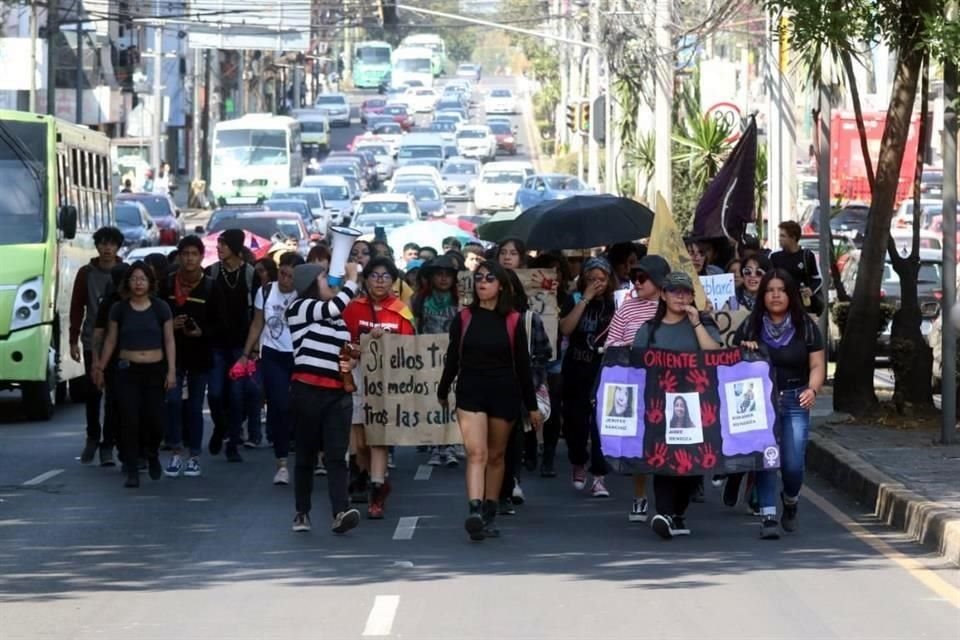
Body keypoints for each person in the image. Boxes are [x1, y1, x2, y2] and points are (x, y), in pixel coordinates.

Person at [438, 260, 543, 541]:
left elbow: (523, 366)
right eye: (479, 277)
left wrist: (531, 407)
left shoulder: (513, 320)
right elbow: (453, 357)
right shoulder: (464, 318)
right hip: (471, 390)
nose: (483, 282)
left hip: (504, 391)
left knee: (496, 456)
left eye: (489, 278)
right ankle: (474, 510)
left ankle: (489, 512)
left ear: (501, 285)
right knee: (477, 453)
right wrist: (442, 389)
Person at [733, 269, 825, 539]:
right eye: (770, 290)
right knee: (766, 459)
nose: (775, 295)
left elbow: (818, 364)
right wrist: (744, 349)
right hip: (761, 402)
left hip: (796, 399)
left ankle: (790, 500)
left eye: (781, 290)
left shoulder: (805, 326)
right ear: (763, 295)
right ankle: (768, 515)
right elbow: (731, 365)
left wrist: (813, 389)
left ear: (790, 294)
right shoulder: (751, 325)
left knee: (793, 465)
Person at [632, 271, 722, 540]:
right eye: (674, 291)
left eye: (685, 292)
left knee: (692, 465)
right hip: (659, 407)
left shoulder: (703, 323)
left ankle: (677, 513)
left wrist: (696, 323)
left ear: (693, 296)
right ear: (663, 295)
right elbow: (635, 365)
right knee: (663, 460)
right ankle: (665, 513)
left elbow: (714, 354)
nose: (680, 296)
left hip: (697, 405)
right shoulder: (649, 329)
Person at [286, 261, 363, 534]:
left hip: (336, 393)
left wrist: (351, 360)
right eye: (325, 277)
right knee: (306, 455)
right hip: (307, 390)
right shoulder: (299, 308)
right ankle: (302, 512)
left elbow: (343, 349)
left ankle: (340, 512)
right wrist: (352, 280)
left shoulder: (337, 319)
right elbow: (334, 306)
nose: (332, 282)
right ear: (310, 284)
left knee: (335, 455)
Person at [343, 257, 416, 519]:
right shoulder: (352, 309)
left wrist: (389, 341)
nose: (380, 281)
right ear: (365, 279)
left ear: (393, 281)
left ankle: (377, 490)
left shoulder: (401, 312)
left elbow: (410, 351)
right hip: (358, 377)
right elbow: (344, 345)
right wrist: (361, 347)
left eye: (386, 276)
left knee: (379, 439)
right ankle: (359, 475)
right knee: (359, 438)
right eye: (375, 275)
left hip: (388, 382)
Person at [94, 262, 176, 488]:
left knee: (156, 420)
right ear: (127, 282)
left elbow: (169, 340)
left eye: (143, 278)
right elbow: (110, 340)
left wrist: (171, 371)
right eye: (134, 278)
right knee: (129, 420)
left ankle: (152, 454)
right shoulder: (119, 309)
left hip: (155, 370)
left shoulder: (161, 308)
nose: (138, 283)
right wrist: (100, 367)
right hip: (127, 371)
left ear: (150, 282)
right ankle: (131, 468)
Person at [604, 254, 670, 522]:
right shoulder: (627, 308)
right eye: (634, 278)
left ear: (658, 280)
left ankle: (668, 503)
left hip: (668, 384)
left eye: (642, 278)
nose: (637, 283)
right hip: (635, 384)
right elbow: (610, 343)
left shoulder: (673, 307)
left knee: (668, 442)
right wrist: (628, 350)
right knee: (640, 441)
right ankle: (640, 497)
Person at [239, 253, 305, 484]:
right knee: (279, 406)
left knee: (302, 407)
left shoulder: (305, 293)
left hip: (300, 355)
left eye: (291, 276)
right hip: (273, 355)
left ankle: (310, 453)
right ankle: (282, 463)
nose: (286, 280)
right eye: (283, 273)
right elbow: (258, 322)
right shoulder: (266, 291)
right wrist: (246, 355)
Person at [559, 256, 616, 498]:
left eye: (601, 279)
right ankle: (578, 462)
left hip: (604, 369)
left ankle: (600, 475)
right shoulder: (573, 299)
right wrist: (585, 299)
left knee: (601, 424)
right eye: (591, 279)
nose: (596, 283)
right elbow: (566, 328)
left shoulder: (616, 302)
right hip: (577, 367)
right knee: (575, 422)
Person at [160, 236, 216, 479]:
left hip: (200, 356)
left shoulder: (211, 287)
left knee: (194, 406)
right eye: (185, 254)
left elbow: (220, 323)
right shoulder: (167, 284)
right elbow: (157, 317)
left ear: (202, 257)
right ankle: (175, 450)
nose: (190, 258)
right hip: (172, 356)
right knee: (172, 402)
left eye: (194, 254)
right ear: (179, 256)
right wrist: (170, 326)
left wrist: (201, 331)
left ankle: (194, 455)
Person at [70, 226, 124, 466]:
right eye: (103, 243)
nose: (107, 248)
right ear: (97, 246)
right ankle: (93, 436)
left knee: (114, 396)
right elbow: (76, 307)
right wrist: (73, 339)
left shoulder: (126, 272)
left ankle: (108, 444)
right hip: (93, 341)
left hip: (120, 343)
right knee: (93, 392)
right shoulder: (86, 273)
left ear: (118, 247)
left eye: (111, 244)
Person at [205, 229, 257, 462]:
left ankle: (233, 443)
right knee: (215, 394)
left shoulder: (250, 274)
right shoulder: (212, 273)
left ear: (235, 247)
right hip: (215, 344)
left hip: (240, 346)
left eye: (224, 244)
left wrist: (253, 348)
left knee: (237, 396)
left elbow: (258, 313)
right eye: (218, 244)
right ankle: (221, 427)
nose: (219, 248)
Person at [412, 255, 461, 468]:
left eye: (447, 275)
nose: (443, 279)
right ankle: (434, 445)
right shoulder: (420, 300)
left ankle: (449, 445)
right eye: (439, 275)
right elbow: (416, 325)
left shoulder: (461, 301)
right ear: (431, 277)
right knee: (432, 402)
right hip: (428, 358)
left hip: (454, 357)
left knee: (452, 400)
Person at [528, 252, 574, 478]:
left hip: (555, 356)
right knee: (530, 403)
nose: (553, 274)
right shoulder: (526, 295)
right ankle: (529, 451)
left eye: (557, 270)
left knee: (554, 407)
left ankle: (548, 455)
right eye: (549, 269)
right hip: (531, 357)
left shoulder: (566, 297)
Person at [770, 221, 824, 315]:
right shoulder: (774, 257)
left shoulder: (807, 256)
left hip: (802, 306)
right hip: (781, 305)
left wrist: (810, 290)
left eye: (783, 236)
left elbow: (818, 279)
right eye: (780, 236)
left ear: (793, 238)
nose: (779, 239)